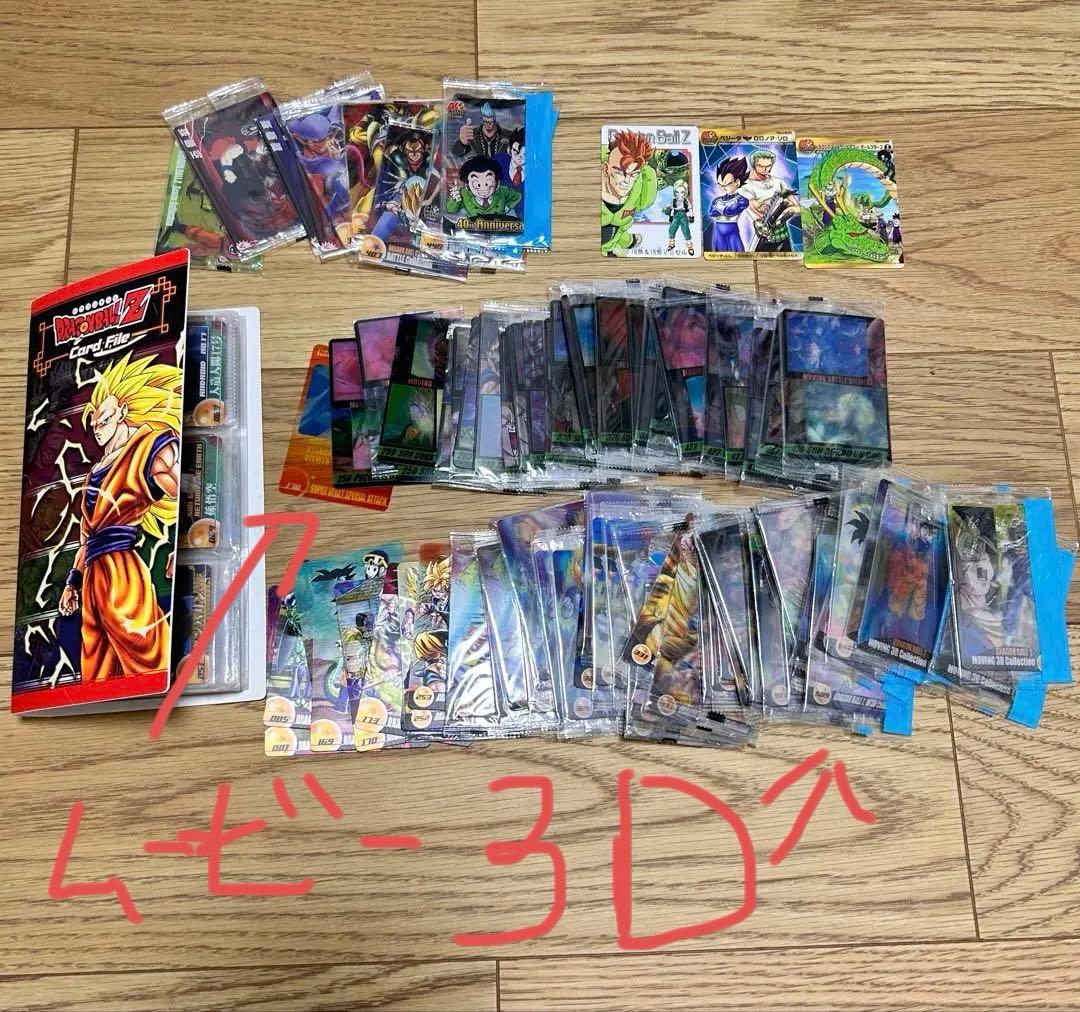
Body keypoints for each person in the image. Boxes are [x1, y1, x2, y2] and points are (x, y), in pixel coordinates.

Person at [58, 352, 182, 681]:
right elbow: (86, 539)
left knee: (148, 656)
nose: (98, 430)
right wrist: (72, 582)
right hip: (92, 578)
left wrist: (181, 543)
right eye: (94, 424)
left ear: (123, 412)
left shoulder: (150, 446)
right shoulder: (93, 473)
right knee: (97, 672)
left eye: (105, 420)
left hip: (122, 571)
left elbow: (187, 494)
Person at [600, 129, 656, 256]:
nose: (627, 181)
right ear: (606, 168)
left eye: (633, 174)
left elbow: (620, 230)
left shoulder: (640, 192)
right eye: (620, 173)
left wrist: (629, 241)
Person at [446, 155, 523, 218]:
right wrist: (456, 200)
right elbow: (450, 210)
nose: (483, 188)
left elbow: (517, 196)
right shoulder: (464, 194)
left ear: (497, 182)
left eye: (488, 183)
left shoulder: (503, 191)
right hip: (473, 229)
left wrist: (507, 208)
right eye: (477, 184)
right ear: (467, 185)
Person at [707, 155, 750, 253]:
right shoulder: (717, 199)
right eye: (720, 185)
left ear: (737, 182)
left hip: (732, 229)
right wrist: (724, 209)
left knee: (738, 253)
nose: (723, 188)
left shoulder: (742, 200)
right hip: (718, 230)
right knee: (719, 254)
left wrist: (719, 208)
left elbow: (730, 212)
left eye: (727, 184)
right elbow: (712, 213)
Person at [664, 178, 695, 255]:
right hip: (676, 215)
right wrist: (671, 217)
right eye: (677, 192)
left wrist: (691, 217)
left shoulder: (686, 200)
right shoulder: (674, 200)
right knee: (672, 229)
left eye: (682, 192)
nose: (679, 194)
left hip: (683, 215)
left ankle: (690, 246)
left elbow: (689, 208)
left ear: (685, 192)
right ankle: (671, 244)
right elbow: (672, 209)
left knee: (686, 230)